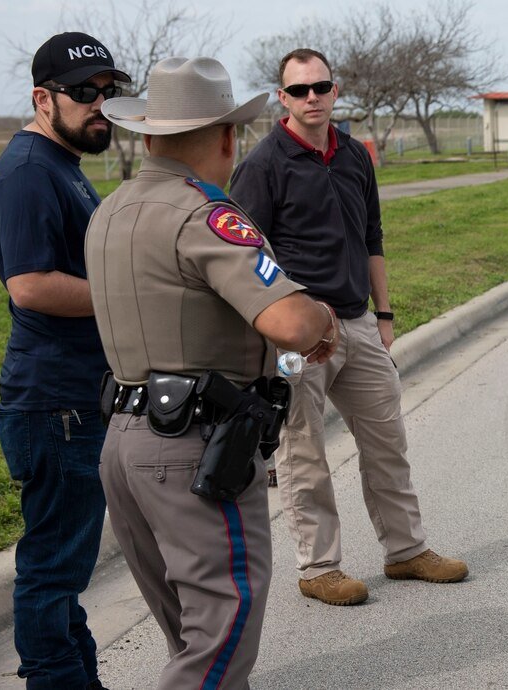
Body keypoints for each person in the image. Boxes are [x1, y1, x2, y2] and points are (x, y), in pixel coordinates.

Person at [87, 56, 337, 687]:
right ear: (228, 136)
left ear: (148, 134)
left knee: (189, 629)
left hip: (123, 439)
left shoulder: (109, 211)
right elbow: (288, 323)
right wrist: (322, 317)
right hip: (193, 446)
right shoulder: (206, 215)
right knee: (223, 624)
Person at [229, 48, 467, 607]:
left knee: (387, 439)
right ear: (282, 98)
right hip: (295, 331)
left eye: (321, 87)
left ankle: (406, 551)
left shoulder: (356, 155)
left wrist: (383, 317)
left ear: (335, 92)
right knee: (302, 450)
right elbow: (242, 256)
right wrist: (281, 322)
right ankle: (318, 567)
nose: (312, 98)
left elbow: (372, 239)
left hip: (356, 322)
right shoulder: (263, 165)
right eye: (299, 90)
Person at [0, 31, 130, 690]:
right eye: (83, 93)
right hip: (54, 406)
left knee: (65, 571)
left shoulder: (61, 163)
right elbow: (31, 285)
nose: (100, 104)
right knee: (51, 570)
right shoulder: (29, 172)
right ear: (44, 98)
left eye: (107, 90)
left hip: (74, 400)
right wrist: (126, 300)